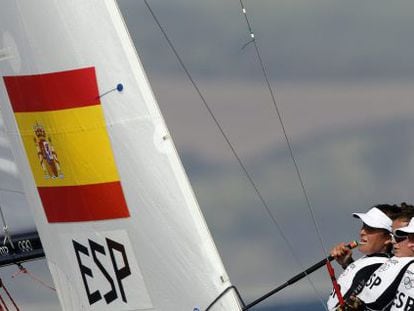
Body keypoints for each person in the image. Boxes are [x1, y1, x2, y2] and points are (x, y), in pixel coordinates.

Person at [337, 202, 414, 311]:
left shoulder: (398, 264)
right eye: (393, 235)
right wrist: (347, 263)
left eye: (400, 235)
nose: (393, 241)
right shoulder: (396, 261)